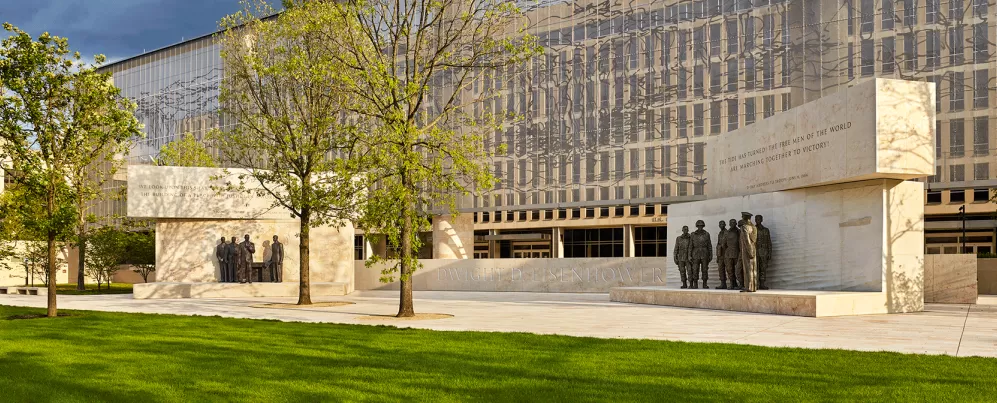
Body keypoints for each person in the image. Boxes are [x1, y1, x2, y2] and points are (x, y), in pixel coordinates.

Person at [689, 220, 713, 289]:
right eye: (699, 226)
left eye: (701, 226)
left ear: (703, 226)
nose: (700, 227)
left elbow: (709, 245)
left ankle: (705, 284)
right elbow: (690, 246)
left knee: (705, 269)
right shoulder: (693, 234)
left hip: (704, 253)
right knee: (695, 269)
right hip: (695, 253)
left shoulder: (707, 234)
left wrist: (711, 254)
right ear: (697, 226)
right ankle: (695, 284)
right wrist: (689, 255)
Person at [738, 212, 758, 292]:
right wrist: (752, 250)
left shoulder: (744, 227)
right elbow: (754, 239)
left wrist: (750, 251)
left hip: (747, 249)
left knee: (747, 269)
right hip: (753, 248)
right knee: (753, 269)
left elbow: (746, 240)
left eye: (742, 217)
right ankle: (753, 287)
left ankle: (748, 287)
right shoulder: (754, 227)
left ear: (744, 218)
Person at [722, 219, 741, 290]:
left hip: (737, 252)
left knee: (739, 269)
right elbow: (723, 244)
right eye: (731, 223)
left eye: (734, 223)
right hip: (729, 253)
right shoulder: (726, 232)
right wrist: (727, 250)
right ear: (729, 224)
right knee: (730, 269)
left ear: (736, 224)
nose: (732, 224)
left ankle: (741, 284)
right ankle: (732, 283)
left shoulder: (739, 232)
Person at [755, 215, 772, 290]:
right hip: (755, 251)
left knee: (763, 268)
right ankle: (756, 283)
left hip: (764, 252)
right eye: (756, 219)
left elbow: (769, 242)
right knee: (755, 268)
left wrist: (769, 252)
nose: (757, 220)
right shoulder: (753, 229)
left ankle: (762, 284)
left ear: (761, 220)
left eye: (759, 219)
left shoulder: (766, 230)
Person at [715, 220, 728, 289]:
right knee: (721, 269)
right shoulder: (720, 233)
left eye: (723, 224)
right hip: (720, 254)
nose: (721, 225)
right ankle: (723, 284)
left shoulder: (727, 232)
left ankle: (733, 283)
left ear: (725, 225)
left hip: (727, 253)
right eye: (720, 224)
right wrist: (717, 255)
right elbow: (718, 244)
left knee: (729, 269)